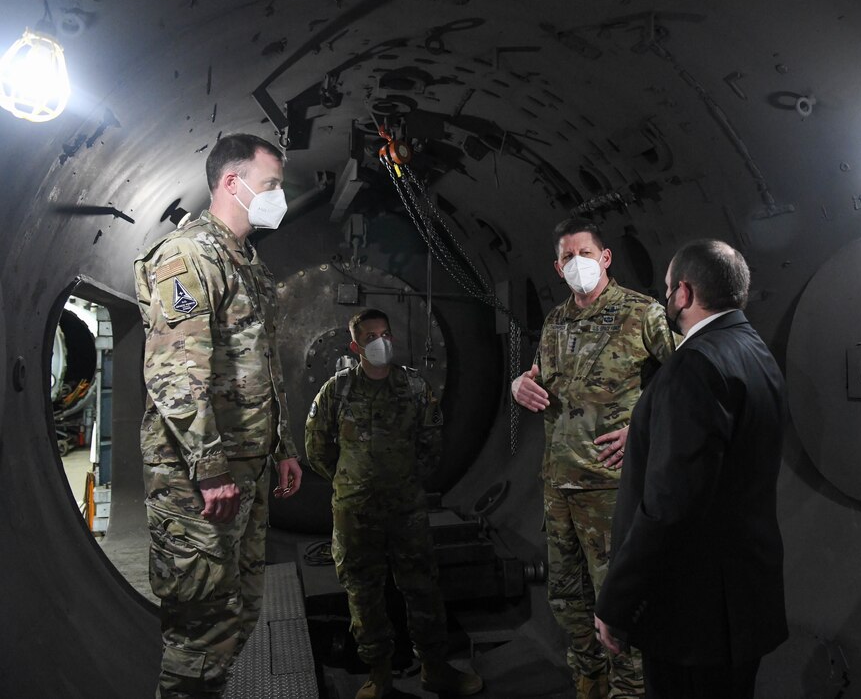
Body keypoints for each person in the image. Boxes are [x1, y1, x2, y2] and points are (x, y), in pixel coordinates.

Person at [133, 133, 304, 698]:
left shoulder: (248, 265)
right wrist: (209, 469)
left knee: (236, 617)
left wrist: (279, 450)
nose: (278, 196)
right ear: (233, 182)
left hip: (244, 475)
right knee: (199, 633)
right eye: (272, 185)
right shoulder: (189, 256)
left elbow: (258, 367)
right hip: (199, 485)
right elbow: (175, 373)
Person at [593, 239, 788, 699]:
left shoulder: (694, 366)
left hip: (695, 613)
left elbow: (669, 506)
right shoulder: (755, 352)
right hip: (741, 596)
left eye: (667, 288)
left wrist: (618, 601)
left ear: (683, 292)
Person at [511, 217, 675, 699]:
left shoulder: (642, 313)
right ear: (557, 267)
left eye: (585, 253)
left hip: (611, 487)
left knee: (619, 601)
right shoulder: (557, 321)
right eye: (567, 257)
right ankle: (589, 678)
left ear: (605, 258)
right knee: (566, 598)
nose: (576, 263)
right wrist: (519, 384)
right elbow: (542, 378)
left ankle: (630, 690)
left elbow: (689, 380)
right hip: (559, 483)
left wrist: (643, 428)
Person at [305, 309, 483, 699]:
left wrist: (405, 480)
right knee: (363, 593)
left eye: (385, 334)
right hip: (356, 513)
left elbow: (431, 443)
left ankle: (435, 669)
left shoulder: (415, 388)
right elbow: (316, 447)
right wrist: (350, 479)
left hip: (406, 510)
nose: (380, 342)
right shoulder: (337, 390)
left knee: (422, 588)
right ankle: (379, 676)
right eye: (370, 337)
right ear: (355, 347)